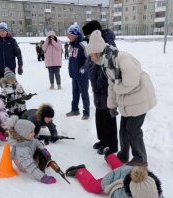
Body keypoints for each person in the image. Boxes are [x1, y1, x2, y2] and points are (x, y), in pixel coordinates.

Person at [86, 30, 157, 166]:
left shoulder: (121, 58)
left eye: (90, 55)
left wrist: (117, 89)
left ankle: (140, 159)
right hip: (129, 102)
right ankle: (123, 155)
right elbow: (111, 86)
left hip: (140, 98)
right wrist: (111, 106)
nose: (90, 58)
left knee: (133, 129)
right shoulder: (106, 64)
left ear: (96, 52)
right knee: (123, 129)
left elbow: (129, 82)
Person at [82, 20, 118, 156]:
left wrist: (101, 81)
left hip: (106, 88)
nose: (86, 38)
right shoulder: (92, 44)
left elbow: (110, 68)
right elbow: (90, 62)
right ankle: (103, 140)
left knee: (108, 117)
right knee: (99, 116)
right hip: (97, 87)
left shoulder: (108, 45)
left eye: (87, 36)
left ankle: (112, 145)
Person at [4, 116, 57, 184]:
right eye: (31, 132)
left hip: (29, 155)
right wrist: (43, 177)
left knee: (41, 153)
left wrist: (43, 149)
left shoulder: (28, 139)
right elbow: (29, 166)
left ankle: (43, 161)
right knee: (37, 160)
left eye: (33, 131)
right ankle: (41, 166)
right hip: (23, 165)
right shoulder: (22, 150)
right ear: (23, 134)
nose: (34, 133)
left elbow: (37, 143)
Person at [66, 23, 90, 120]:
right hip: (74, 74)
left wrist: (84, 68)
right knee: (75, 93)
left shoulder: (83, 44)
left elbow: (89, 59)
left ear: (75, 34)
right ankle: (75, 110)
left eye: (69, 34)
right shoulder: (71, 45)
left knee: (84, 94)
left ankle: (86, 112)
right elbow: (72, 59)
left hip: (82, 75)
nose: (68, 36)